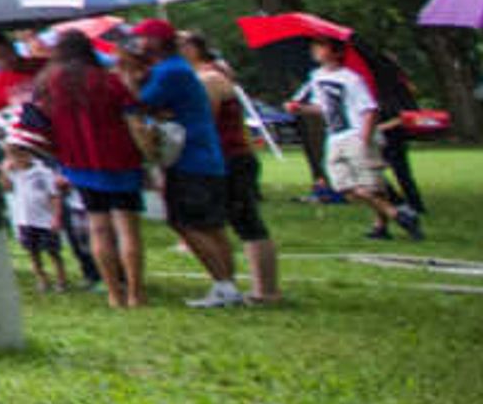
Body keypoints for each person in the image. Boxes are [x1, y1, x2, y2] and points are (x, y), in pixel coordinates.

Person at [115, 20, 245, 307]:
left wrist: (127, 73)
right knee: (211, 225)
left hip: (189, 159)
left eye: (142, 39)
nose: (138, 44)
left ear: (156, 42)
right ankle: (228, 285)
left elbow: (133, 103)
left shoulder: (169, 72)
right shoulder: (178, 69)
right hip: (205, 156)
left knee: (186, 222)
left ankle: (223, 284)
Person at [18, 29, 147, 306]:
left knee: (98, 227)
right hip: (121, 159)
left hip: (79, 163)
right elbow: (134, 117)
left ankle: (114, 293)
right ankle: (136, 293)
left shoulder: (46, 85)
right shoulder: (109, 81)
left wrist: (58, 153)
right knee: (127, 228)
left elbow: (32, 128)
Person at [189, 38, 282, 305]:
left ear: (195, 50)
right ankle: (250, 287)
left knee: (247, 223)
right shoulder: (207, 76)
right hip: (228, 157)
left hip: (232, 157)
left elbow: (203, 118)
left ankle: (266, 290)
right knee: (237, 221)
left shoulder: (209, 79)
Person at [300, 36, 408, 238]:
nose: (315, 50)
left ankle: (381, 226)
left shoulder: (351, 78)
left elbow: (369, 109)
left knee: (371, 184)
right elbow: (323, 108)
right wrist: (301, 108)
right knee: (344, 186)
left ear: (337, 52)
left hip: (356, 134)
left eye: (322, 46)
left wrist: (364, 139)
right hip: (335, 136)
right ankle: (396, 213)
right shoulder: (316, 77)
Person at [3, 142, 73, 292]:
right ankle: (41, 278)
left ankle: (61, 278)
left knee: (53, 251)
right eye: (13, 156)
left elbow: (54, 195)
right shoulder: (13, 173)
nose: (18, 159)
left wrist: (56, 217)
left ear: (29, 154)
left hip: (44, 219)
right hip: (25, 219)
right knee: (32, 251)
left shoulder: (42, 172)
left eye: (21, 155)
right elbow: (7, 188)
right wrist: (4, 171)